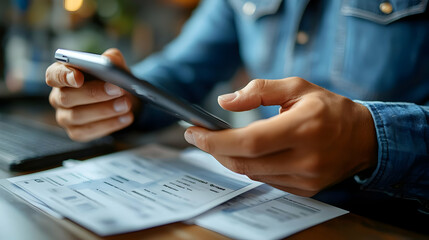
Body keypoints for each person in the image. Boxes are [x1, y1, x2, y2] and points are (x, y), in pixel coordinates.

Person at [45, 0, 429, 232]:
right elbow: (183, 69)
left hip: (396, 223)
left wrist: (370, 140)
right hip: (272, 214)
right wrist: (121, 96)